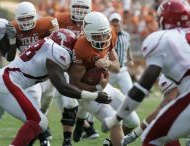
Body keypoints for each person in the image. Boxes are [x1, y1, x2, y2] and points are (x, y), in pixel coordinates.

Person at [102, 0, 190, 145]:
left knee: (152, 139)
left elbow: (142, 88)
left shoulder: (161, 40)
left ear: (163, 20)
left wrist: (117, 117)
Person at [0, 28, 110, 146]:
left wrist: (95, 87)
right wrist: (95, 96)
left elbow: (72, 82)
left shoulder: (47, 46)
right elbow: (63, 87)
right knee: (39, 121)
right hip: (7, 82)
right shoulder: (58, 52)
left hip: (4, 80)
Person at [68, 12, 140, 146]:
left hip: (105, 86)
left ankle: (111, 142)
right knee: (115, 121)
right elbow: (74, 83)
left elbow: (117, 67)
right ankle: (80, 120)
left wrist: (108, 63)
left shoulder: (111, 33)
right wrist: (96, 90)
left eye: (104, 34)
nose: (102, 38)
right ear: (87, 33)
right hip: (88, 93)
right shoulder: (80, 48)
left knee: (133, 121)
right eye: (97, 35)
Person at [11, 2, 59, 145]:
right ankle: (44, 139)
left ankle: (36, 134)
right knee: (34, 104)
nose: (25, 22)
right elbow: (9, 55)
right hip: (29, 73)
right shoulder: (13, 28)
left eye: (28, 18)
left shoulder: (46, 24)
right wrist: (12, 39)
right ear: (17, 19)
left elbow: (57, 46)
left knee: (45, 105)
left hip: (47, 73)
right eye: (22, 19)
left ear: (35, 16)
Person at [55, 1, 99, 145]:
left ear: (90, 9)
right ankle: (76, 133)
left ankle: (82, 127)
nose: (79, 11)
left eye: (83, 8)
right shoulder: (60, 20)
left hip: (84, 67)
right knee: (64, 101)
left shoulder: (95, 21)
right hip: (64, 65)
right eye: (77, 7)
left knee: (78, 101)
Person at [108, 12, 134, 96]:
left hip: (122, 70)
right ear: (109, 24)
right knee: (103, 93)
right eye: (113, 23)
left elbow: (128, 48)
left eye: (117, 23)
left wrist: (130, 59)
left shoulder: (126, 35)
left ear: (121, 23)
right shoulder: (106, 35)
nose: (115, 25)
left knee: (129, 94)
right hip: (109, 70)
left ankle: (126, 109)